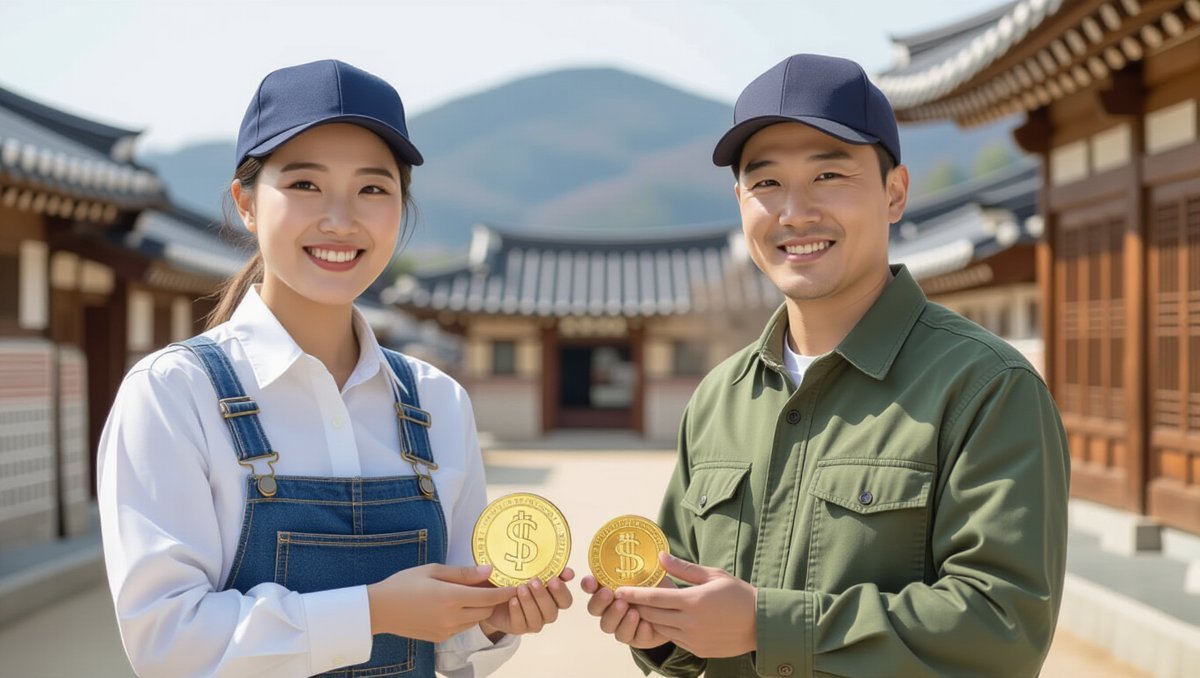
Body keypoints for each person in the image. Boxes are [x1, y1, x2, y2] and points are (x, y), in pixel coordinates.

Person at [582, 53, 1070, 677]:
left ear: (894, 194)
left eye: (829, 175)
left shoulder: (985, 387)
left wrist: (766, 624)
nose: (794, 213)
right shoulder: (718, 398)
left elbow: (1004, 626)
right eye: (765, 183)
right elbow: (685, 594)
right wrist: (657, 628)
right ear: (740, 202)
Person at [98, 59, 573, 677]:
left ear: (401, 207)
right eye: (304, 185)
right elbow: (168, 645)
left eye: (374, 189)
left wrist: (486, 620)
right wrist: (374, 611)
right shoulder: (172, 394)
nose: (341, 219)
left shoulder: (438, 402)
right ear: (245, 202)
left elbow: (451, 655)